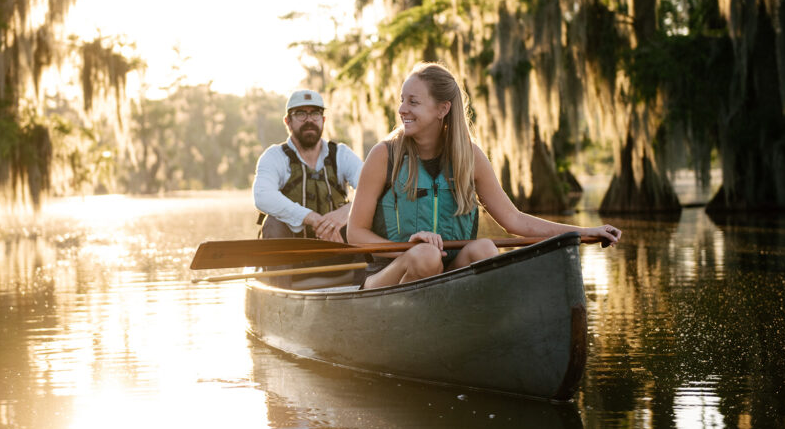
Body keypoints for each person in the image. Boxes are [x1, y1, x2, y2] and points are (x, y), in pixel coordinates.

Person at [348, 62, 621, 289]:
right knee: (426, 256)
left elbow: (514, 221)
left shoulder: (470, 157)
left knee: (485, 249)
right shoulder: (385, 155)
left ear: (442, 109)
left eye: (413, 102)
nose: (402, 109)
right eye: (402, 100)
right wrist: (405, 249)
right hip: (385, 278)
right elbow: (355, 232)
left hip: (445, 275)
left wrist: (585, 232)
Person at [253, 89, 364, 242]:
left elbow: (374, 188)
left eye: (315, 113)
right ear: (288, 121)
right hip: (291, 251)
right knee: (273, 223)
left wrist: (347, 211)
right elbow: (262, 196)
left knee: (366, 216)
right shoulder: (274, 156)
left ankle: (363, 265)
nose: (309, 120)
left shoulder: (341, 154)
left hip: (337, 243)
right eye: (300, 114)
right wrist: (311, 218)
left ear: (323, 120)